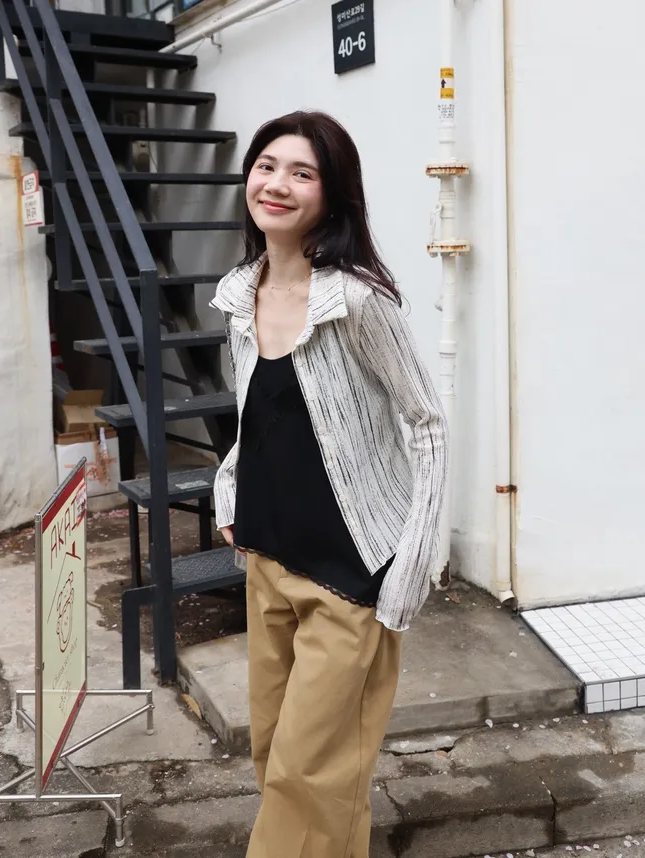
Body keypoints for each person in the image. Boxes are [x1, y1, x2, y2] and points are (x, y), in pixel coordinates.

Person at [211, 110, 448, 858]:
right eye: (266, 165)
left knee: (307, 776)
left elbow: (428, 424)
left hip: (349, 575)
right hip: (266, 559)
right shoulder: (238, 294)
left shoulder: (357, 301)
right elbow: (254, 413)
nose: (276, 184)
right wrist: (228, 488)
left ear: (332, 194)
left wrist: (413, 563)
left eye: (301, 173)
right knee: (277, 758)